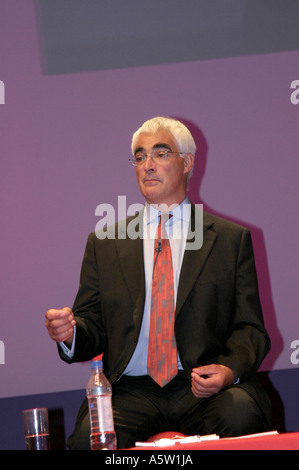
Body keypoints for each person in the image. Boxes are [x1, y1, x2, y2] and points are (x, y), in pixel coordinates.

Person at [45, 116, 272, 449]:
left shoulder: (228, 240)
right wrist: (71, 333)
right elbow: (91, 327)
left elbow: (250, 329)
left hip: (203, 386)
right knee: (87, 439)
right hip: (132, 390)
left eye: (160, 154)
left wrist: (226, 370)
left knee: (240, 414)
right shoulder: (106, 242)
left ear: (187, 163)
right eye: (140, 157)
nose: (147, 165)